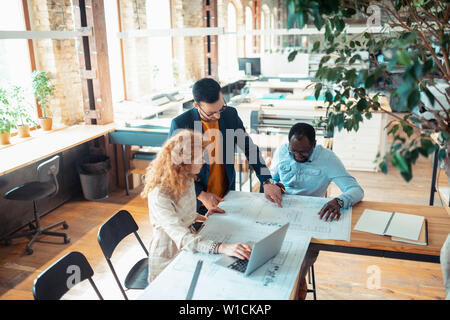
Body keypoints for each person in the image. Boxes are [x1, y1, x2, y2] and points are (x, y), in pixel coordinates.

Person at [269, 122, 364, 299]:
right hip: (283, 209)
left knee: (306, 253)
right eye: (293, 151)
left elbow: (356, 190)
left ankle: (298, 282)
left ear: (314, 144)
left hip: (311, 215)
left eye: (304, 152)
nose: (297, 156)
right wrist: (275, 186)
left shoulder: (328, 159)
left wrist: (339, 201)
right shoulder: (282, 152)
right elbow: (273, 178)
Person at [141, 130, 251, 282]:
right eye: (200, 158)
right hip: (168, 257)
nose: (204, 161)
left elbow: (184, 214)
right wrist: (222, 247)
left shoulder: (187, 178)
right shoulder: (159, 194)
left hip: (189, 247)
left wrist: (203, 216)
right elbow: (182, 237)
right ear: (184, 161)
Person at [169, 77, 282, 223]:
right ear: (197, 106)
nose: (218, 116)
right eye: (211, 113)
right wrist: (201, 194)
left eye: (221, 108)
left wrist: (266, 180)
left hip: (226, 197)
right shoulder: (181, 124)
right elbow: (175, 169)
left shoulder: (230, 115)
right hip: (195, 201)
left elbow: (249, 149)